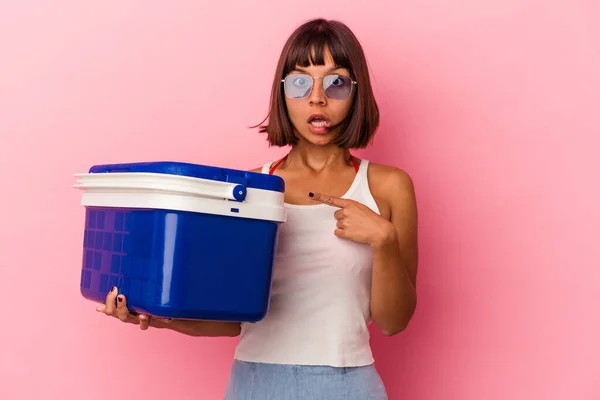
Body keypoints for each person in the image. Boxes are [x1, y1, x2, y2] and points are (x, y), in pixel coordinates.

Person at [96, 18, 418, 399]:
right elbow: (234, 321)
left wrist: (384, 240)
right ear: (282, 93)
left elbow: (394, 323)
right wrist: (155, 317)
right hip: (255, 383)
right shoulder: (246, 190)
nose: (317, 98)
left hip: (348, 384)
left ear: (356, 93)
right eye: (300, 82)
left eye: (336, 82)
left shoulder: (389, 187)